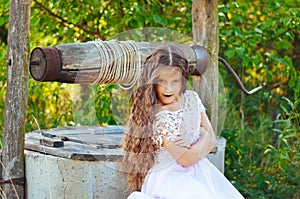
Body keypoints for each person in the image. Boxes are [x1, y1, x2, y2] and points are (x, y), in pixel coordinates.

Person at [122, 44, 244, 199]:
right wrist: (202, 136)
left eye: (175, 81)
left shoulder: (192, 99)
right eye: (162, 82)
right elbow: (186, 160)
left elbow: (212, 139)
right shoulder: (159, 115)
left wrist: (201, 140)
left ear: (183, 80)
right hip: (170, 177)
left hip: (200, 171)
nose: (169, 88)